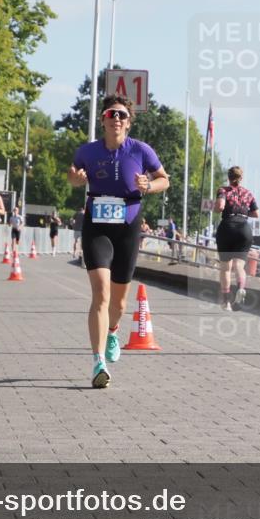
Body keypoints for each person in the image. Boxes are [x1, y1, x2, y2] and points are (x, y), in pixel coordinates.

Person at [67, 95, 170, 388]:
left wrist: (148, 185)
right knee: (100, 293)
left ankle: (113, 330)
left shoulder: (140, 150)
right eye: (111, 114)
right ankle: (98, 362)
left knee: (120, 302)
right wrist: (76, 178)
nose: (116, 119)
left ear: (128, 122)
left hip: (127, 226)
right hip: (97, 225)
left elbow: (164, 179)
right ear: (103, 120)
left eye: (122, 115)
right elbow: (72, 176)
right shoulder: (88, 151)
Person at [214, 167, 259, 310]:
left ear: (228, 177)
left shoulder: (223, 190)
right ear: (241, 178)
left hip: (227, 228)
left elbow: (220, 206)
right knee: (239, 266)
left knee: (225, 268)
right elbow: (256, 214)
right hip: (244, 229)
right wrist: (243, 212)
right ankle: (241, 288)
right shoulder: (248, 193)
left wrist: (216, 208)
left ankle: (226, 302)